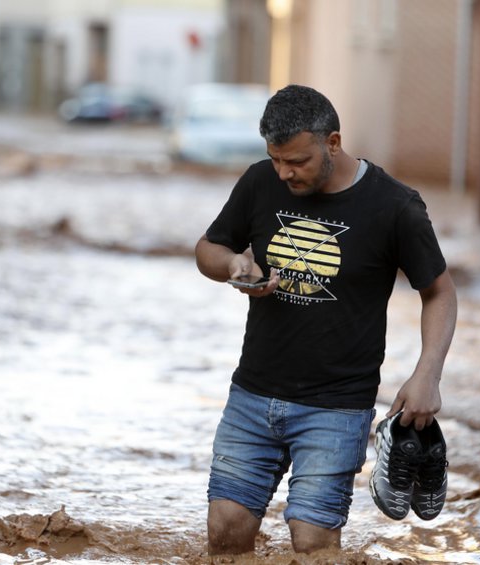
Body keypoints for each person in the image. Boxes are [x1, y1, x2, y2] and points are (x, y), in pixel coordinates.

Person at [195, 84, 457, 555]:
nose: (284, 172)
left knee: (313, 543)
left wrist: (427, 375)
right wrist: (233, 264)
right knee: (225, 532)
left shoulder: (395, 206)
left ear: (332, 143)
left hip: (336, 408)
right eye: (276, 159)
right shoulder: (259, 182)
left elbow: (439, 293)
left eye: (297, 162)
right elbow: (207, 249)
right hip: (252, 395)